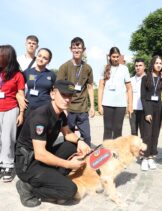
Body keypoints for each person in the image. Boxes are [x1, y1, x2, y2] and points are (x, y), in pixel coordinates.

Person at [15, 80, 91, 207]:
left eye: (70, 96)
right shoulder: (41, 116)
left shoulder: (61, 114)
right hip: (28, 165)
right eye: (64, 95)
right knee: (69, 191)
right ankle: (27, 187)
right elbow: (40, 154)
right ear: (52, 95)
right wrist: (68, 164)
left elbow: (67, 133)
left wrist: (80, 141)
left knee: (72, 145)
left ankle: (52, 177)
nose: (67, 99)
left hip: (41, 157)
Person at [57, 37, 94, 146]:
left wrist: (92, 106)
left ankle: (85, 159)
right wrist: (61, 108)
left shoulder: (87, 68)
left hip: (83, 109)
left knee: (87, 137)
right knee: (69, 137)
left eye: (79, 48)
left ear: (83, 49)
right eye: (74, 48)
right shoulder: (64, 67)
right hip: (68, 109)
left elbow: (90, 87)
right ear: (70, 49)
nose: (76, 50)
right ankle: (70, 158)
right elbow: (57, 88)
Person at [0, 45, 25, 182]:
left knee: (7, 138)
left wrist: (21, 113)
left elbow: (21, 94)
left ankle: (8, 164)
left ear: (7, 57)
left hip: (10, 108)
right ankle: (0, 163)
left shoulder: (18, 75)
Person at [98, 47, 133, 140]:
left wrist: (130, 105)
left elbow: (129, 88)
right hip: (107, 103)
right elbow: (101, 87)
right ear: (110, 56)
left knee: (118, 128)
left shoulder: (124, 69)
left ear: (120, 56)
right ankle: (107, 152)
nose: (116, 59)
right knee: (108, 129)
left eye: (117, 56)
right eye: (113, 56)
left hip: (120, 104)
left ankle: (117, 152)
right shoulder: (104, 68)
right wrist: (99, 105)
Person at [140, 55, 162, 171]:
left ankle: (151, 157)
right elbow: (142, 97)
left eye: (160, 63)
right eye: (156, 63)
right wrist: (147, 112)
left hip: (158, 107)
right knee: (147, 134)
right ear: (152, 64)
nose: (158, 65)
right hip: (148, 106)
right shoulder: (145, 78)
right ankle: (144, 158)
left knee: (155, 134)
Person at [23, 48, 56, 116]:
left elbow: (56, 92)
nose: (41, 59)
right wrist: (20, 97)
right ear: (36, 56)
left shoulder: (52, 75)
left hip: (45, 109)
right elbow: (18, 87)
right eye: (39, 56)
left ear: (48, 61)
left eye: (45, 58)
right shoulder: (27, 72)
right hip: (28, 108)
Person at [129, 58, 146, 137]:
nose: (138, 67)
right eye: (136, 66)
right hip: (133, 110)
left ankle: (145, 149)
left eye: (140, 65)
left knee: (144, 133)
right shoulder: (130, 80)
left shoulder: (148, 79)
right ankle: (135, 149)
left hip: (144, 110)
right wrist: (129, 107)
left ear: (144, 67)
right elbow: (127, 94)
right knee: (133, 132)